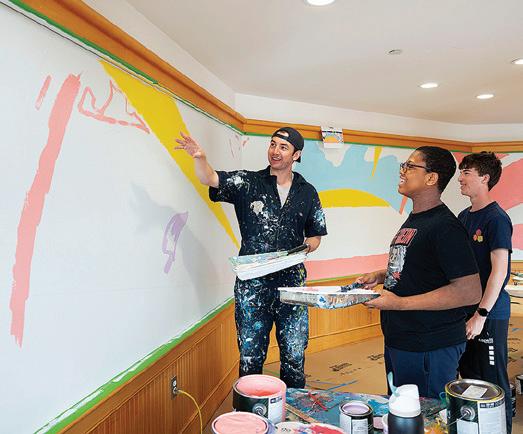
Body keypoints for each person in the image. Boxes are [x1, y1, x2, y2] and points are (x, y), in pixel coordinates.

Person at [175, 127, 327, 388]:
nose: (275, 151)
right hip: (253, 286)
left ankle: (292, 409)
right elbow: (210, 178)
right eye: (272, 144)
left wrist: (304, 248)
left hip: (292, 284)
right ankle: (249, 410)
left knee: (294, 356)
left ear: (296, 155)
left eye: (283, 147)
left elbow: (316, 236)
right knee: (250, 357)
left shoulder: (307, 192)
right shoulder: (248, 182)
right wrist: (200, 158)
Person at [357, 146, 481, 399]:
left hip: (429, 345)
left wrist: (399, 303)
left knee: (425, 414)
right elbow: (419, 266)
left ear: (431, 178)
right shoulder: (416, 219)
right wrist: (380, 275)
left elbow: (469, 291)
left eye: (410, 166)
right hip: (402, 339)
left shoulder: (445, 227)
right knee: (402, 410)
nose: (402, 171)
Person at [457, 152, 513, 433]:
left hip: (489, 313)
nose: (460, 178)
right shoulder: (463, 217)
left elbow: (499, 272)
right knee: (468, 377)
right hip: (465, 310)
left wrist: (481, 314)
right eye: (461, 172)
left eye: (466, 172)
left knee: (493, 381)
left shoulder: (497, 219)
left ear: (485, 178)